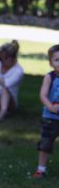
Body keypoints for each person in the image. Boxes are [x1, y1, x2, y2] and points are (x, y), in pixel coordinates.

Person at [33, 44, 59, 178]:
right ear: (51, 63)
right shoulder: (50, 77)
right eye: (57, 60)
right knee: (46, 143)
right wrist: (50, 106)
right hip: (50, 117)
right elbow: (43, 95)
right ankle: (41, 169)